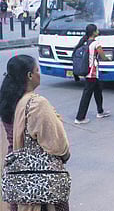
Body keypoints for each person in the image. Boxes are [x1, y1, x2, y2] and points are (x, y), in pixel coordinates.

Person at [0, 55, 71, 211]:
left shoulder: (8, 101)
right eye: (37, 70)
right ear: (30, 76)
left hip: (16, 176)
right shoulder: (36, 104)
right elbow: (57, 145)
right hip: (40, 181)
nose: (40, 74)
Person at [74, 24, 111, 124]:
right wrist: (109, 58)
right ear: (94, 32)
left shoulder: (85, 42)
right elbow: (103, 56)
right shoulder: (96, 44)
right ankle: (80, 118)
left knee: (98, 91)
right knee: (87, 95)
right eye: (97, 30)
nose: (98, 31)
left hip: (90, 71)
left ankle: (100, 111)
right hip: (92, 73)